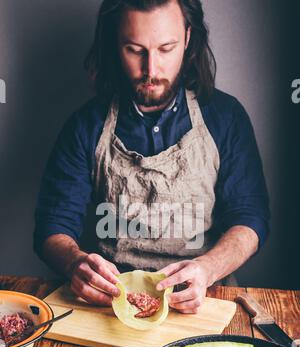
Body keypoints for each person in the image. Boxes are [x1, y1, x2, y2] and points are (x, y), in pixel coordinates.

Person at [34, 0, 270, 314]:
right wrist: (75, 263)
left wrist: (208, 269)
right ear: (115, 43)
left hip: (206, 298)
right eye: (135, 50)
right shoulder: (85, 126)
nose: (151, 70)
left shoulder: (226, 117)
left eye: (166, 48)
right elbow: (53, 227)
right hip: (114, 303)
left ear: (187, 38)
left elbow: (250, 218)